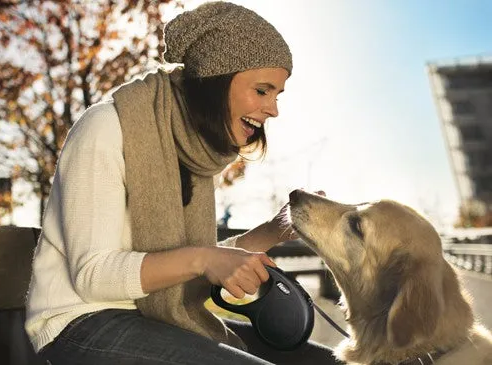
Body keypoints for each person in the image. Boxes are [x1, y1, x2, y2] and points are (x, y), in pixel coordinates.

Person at [25, 2, 343, 364]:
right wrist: (205, 258)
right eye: (262, 90)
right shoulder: (107, 127)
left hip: (159, 317)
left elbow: (201, 264)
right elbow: (93, 275)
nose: (273, 109)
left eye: (276, 95)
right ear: (218, 79)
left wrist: (274, 229)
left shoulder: (191, 150)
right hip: (80, 323)